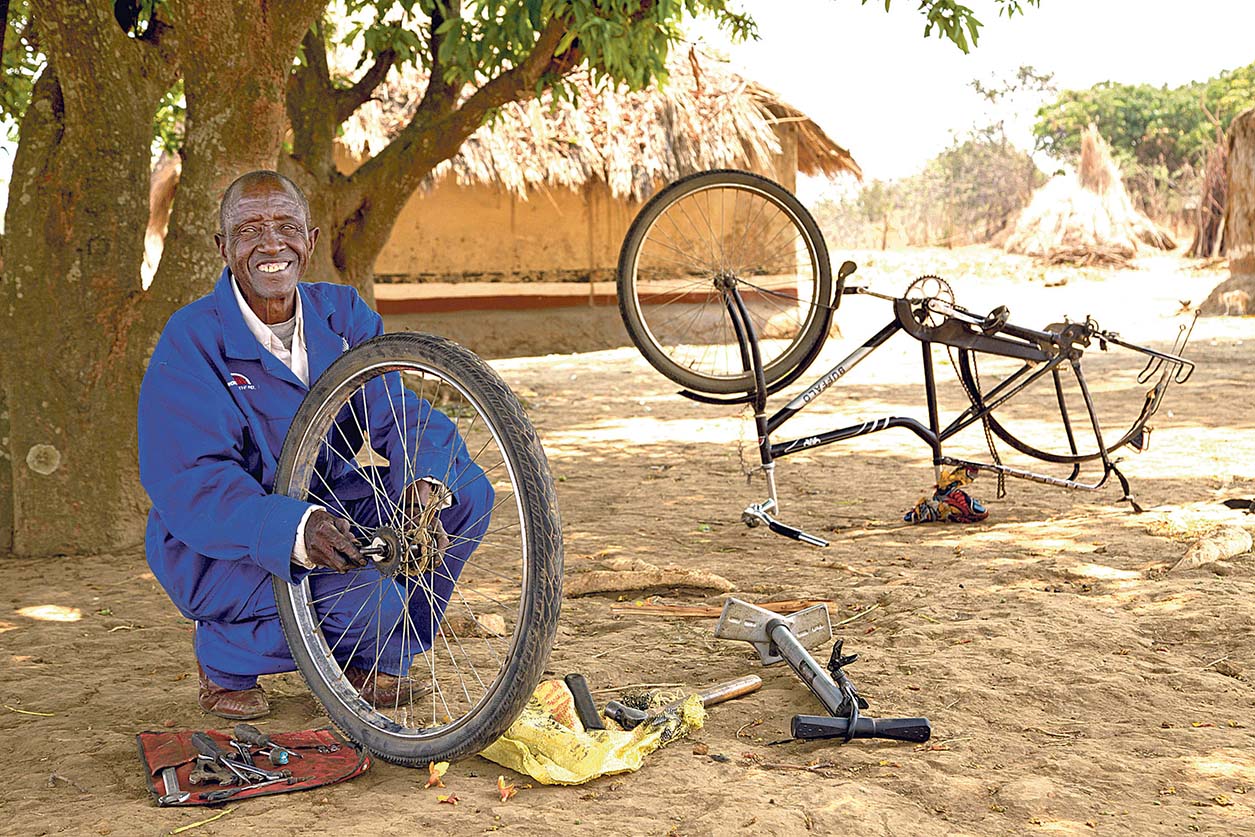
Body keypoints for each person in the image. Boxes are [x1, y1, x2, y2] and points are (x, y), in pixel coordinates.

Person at [138, 170, 491, 720]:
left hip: (329, 504)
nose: (271, 243)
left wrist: (426, 479)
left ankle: (379, 652)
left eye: (286, 226)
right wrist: (295, 530)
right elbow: (195, 482)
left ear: (311, 240)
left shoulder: (343, 316)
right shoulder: (191, 339)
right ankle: (226, 656)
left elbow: (397, 414)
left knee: (464, 493)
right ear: (223, 246)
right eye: (250, 229)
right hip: (221, 542)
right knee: (374, 599)